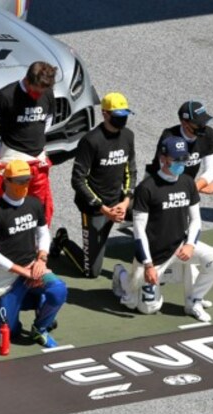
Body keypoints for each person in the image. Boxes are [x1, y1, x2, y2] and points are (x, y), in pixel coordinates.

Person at [112, 136, 213, 322]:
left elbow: (196, 220)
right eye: (176, 159)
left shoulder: (188, 182)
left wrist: (190, 244)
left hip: (180, 246)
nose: (181, 163)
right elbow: (139, 233)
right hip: (153, 256)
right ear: (163, 158)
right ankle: (122, 276)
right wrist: (148, 265)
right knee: (146, 308)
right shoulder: (146, 188)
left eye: (184, 159)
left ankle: (194, 300)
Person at [0, 160, 67, 348]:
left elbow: (43, 233)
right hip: (7, 279)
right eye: (19, 181)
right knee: (1, 333)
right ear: (7, 180)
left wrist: (41, 259)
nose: (24, 184)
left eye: (27, 180)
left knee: (59, 289)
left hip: (33, 267)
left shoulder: (34, 204)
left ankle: (40, 328)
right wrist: (24, 272)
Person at [49, 92, 136, 278]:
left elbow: (131, 171)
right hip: (95, 208)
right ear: (105, 114)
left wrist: (126, 200)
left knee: (152, 209)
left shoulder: (128, 136)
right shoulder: (91, 141)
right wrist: (103, 208)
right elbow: (78, 180)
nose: (123, 120)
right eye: (118, 116)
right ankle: (62, 240)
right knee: (91, 271)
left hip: (119, 201)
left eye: (125, 116)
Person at [0, 61, 58, 225]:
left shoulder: (47, 93)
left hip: (38, 160)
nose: (38, 95)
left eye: (42, 92)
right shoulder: (5, 95)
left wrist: (38, 139)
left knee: (41, 207)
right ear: (28, 80)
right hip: (13, 162)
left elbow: (48, 119)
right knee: (11, 207)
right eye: (35, 91)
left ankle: (38, 243)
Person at [145, 100, 213, 195]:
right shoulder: (169, 138)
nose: (203, 127)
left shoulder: (208, 134)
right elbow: (168, 176)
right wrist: (198, 189)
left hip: (185, 189)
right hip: (158, 186)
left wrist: (195, 187)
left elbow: (211, 169)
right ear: (184, 123)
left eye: (204, 122)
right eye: (199, 124)